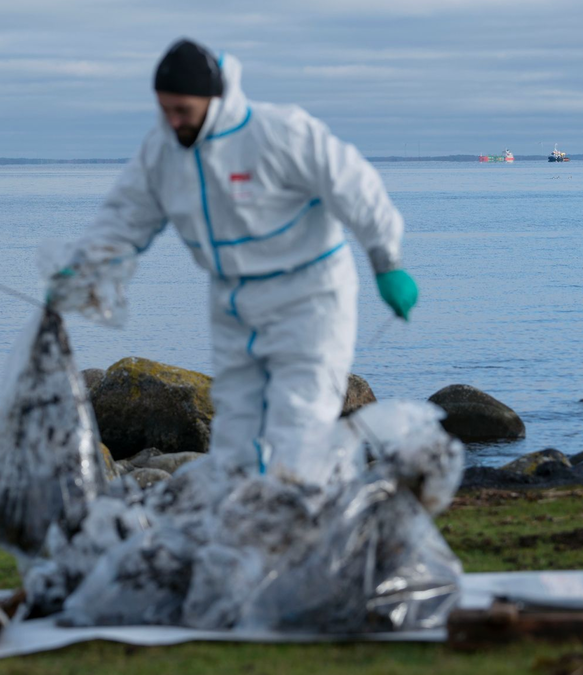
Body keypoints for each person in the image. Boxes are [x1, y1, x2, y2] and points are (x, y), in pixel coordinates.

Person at [54, 38, 418, 479]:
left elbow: (356, 187)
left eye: (182, 110)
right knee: (236, 431)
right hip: (233, 301)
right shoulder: (162, 153)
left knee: (299, 423)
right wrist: (86, 265)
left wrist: (386, 261)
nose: (172, 121)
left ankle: (304, 524)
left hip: (309, 296)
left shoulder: (278, 132)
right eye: (164, 109)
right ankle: (250, 528)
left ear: (213, 99)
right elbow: (124, 217)